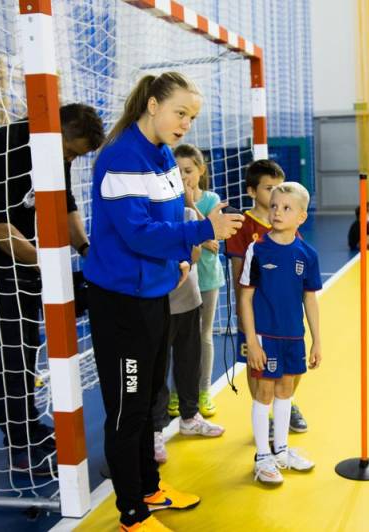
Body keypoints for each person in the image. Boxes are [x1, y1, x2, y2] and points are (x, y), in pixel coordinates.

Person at [83, 72, 243, 531]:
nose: (186, 123)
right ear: (152, 105)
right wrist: (204, 230)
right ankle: (131, 514)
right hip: (122, 302)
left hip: (155, 294)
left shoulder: (163, 153)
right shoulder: (121, 158)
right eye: (180, 113)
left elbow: (170, 217)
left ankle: (150, 490)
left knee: (151, 397)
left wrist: (181, 258)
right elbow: (138, 232)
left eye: (192, 117)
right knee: (127, 409)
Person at [0, 103, 104, 476]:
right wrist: (50, 264)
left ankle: (30, 424)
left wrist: (87, 251)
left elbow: (64, 206)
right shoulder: (0, 148)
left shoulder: (56, 150)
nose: (70, 160)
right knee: (11, 348)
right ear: (57, 132)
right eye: (70, 152)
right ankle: (18, 443)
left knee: (29, 344)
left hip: (27, 258)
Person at [239, 182, 322, 484]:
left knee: (286, 391)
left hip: (294, 337)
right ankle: (263, 457)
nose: (277, 212)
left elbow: (310, 299)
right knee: (264, 393)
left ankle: (282, 451)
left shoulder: (307, 254)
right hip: (265, 336)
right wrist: (251, 340)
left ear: (301, 216)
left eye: (286, 208)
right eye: (274, 206)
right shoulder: (257, 249)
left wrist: (316, 341)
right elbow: (245, 298)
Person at [225, 160, 310, 433]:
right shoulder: (243, 226)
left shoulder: (289, 223)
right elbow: (238, 273)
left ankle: (288, 402)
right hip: (257, 313)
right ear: (252, 191)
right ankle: (264, 414)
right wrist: (243, 312)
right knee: (256, 365)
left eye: (280, 187)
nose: (276, 193)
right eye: (269, 188)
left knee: (292, 364)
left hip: (285, 313)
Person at [152, 206, 225, 465]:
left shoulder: (187, 214)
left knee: (190, 362)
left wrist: (180, 251)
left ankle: (190, 417)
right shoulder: (150, 215)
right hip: (158, 302)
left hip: (189, 299)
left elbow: (194, 253)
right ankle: (155, 430)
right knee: (158, 369)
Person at [173, 144, 225, 418]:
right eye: (178, 171)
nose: (183, 177)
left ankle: (204, 391)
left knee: (204, 335)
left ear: (201, 170)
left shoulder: (211, 199)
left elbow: (214, 233)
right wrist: (202, 239)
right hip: (180, 281)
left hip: (207, 278)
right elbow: (180, 235)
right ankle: (176, 392)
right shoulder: (169, 202)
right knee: (178, 339)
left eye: (188, 171)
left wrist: (191, 204)